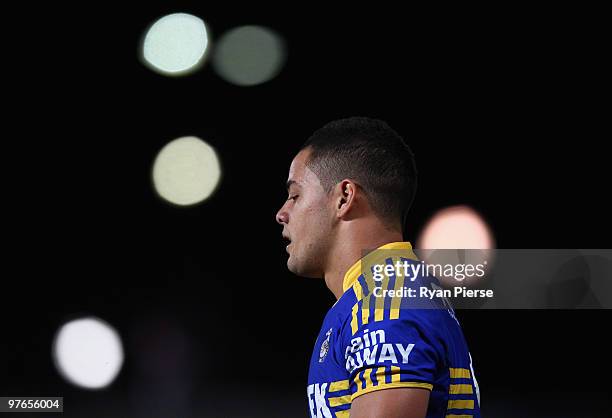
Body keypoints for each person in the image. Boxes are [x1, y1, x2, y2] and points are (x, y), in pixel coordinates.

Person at [275, 117, 481, 418]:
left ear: (344, 198)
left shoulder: (385, 303)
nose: (282, 213)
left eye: (295, 195)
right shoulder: (381, 295)